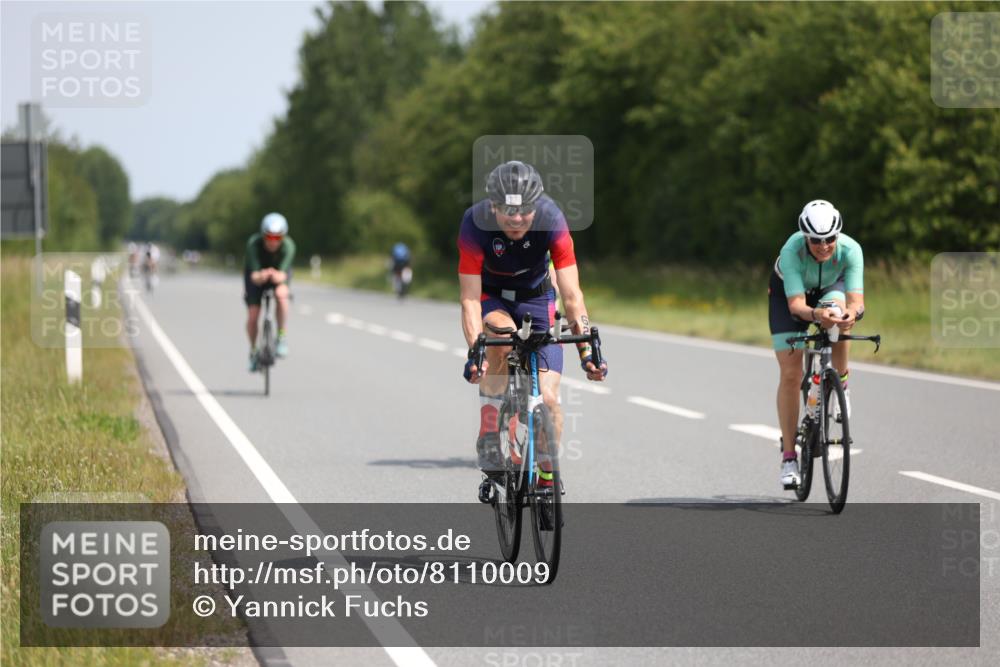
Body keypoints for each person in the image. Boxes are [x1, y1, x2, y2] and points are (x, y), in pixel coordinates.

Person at [459, 160, 608, 487]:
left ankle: (544, 475)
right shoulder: (475, 222)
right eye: (507, 211)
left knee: (550, 401)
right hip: (493, 296)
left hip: (538, 297)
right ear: (493, 206)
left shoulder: (552, 218)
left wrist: (587, 353)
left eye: (524, 210)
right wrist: (476, 351)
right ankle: (488, 430)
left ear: (536, 206)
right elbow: (470, 297)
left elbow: (571, 295)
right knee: (503, 336)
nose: (516, 219)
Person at [769, 200, 864, 489]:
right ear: (805, 237)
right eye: (816, 240)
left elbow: (857, 301)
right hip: (790, 299)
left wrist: (851, 314)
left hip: (829, 289)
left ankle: (842, 383)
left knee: (837, 317)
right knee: (790, 373)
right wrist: (815, 315)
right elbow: (797, 306)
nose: (824, 245)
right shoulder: (791, 251)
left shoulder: (851, 250)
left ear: (839, 234)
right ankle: (788, 457)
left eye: (830, 238)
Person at [244, 212, 296, 371]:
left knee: (282, 295)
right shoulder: (253, 244)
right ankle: (253, 351)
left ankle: (281, 336)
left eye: (277, 238)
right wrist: (262, 275)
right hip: (257, 276)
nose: (273, 242)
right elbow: (253, 276)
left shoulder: (288, 246)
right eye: (270, 237)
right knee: (253, 316)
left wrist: (275, 275)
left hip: (277, 277)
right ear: (263, 235)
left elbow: (283, 274)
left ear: (283, 237)